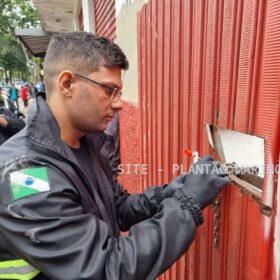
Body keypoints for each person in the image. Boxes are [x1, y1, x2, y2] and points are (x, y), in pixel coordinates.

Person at [0, 32, 229, 280]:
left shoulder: (85, 143)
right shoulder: (23, 175)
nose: (119, 104)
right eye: (110, 90)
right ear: (67, 84)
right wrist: (187, 203)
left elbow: (117, 209)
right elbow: (105, 268)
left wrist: (171, 192)